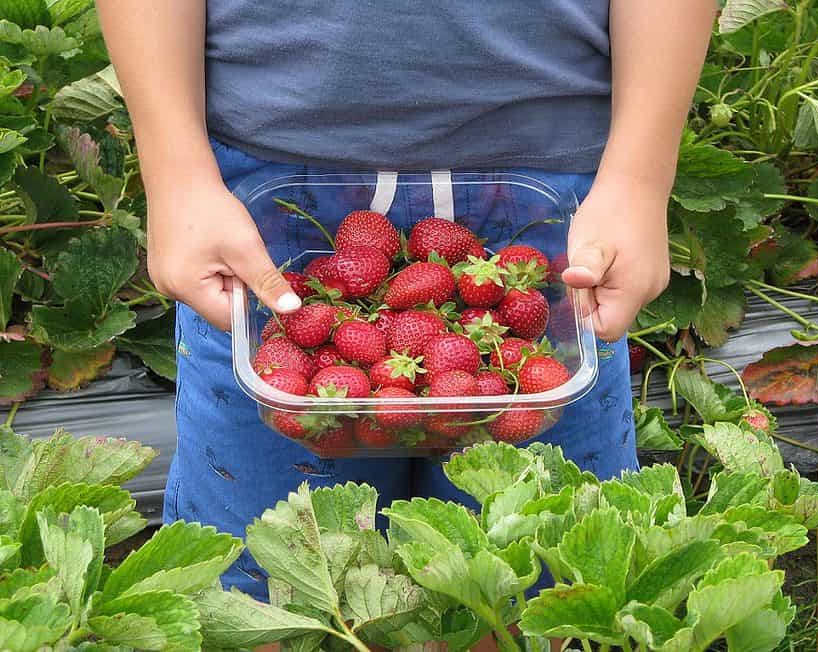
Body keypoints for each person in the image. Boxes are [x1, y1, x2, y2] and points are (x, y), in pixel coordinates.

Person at [98, 0, 714, 608]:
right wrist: (177, 172)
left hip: (559, 203)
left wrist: (638, 177)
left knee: (554, 578)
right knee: (265, 578)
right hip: (261, 211)